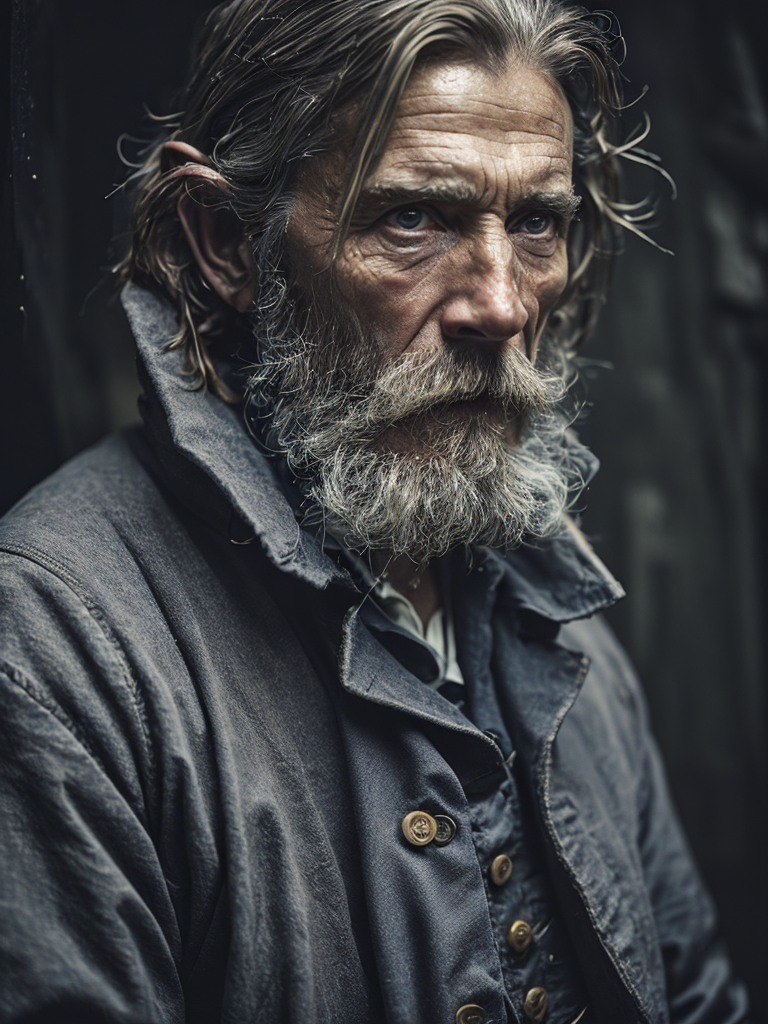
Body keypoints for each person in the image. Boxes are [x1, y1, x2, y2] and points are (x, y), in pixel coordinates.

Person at [0, 1, 749, 1022]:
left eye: (536, 222)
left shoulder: (560, 630)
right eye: (415, 218)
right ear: (225, 240)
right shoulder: (58, 652)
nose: (500, 304)